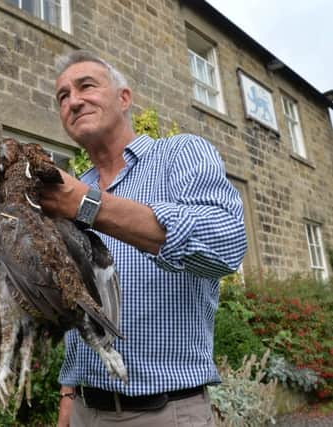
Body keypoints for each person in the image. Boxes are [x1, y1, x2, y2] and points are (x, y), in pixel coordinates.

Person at [39, 50, 247, 427]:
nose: (74, 100)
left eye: (86, 86)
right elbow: (75, 301)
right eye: (63, 96)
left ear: (124, 98)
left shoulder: (181, 154)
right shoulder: (73, 189)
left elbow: (225, 244)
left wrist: (87, 206)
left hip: (167, 412)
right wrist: (69, 391)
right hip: (86, 411)